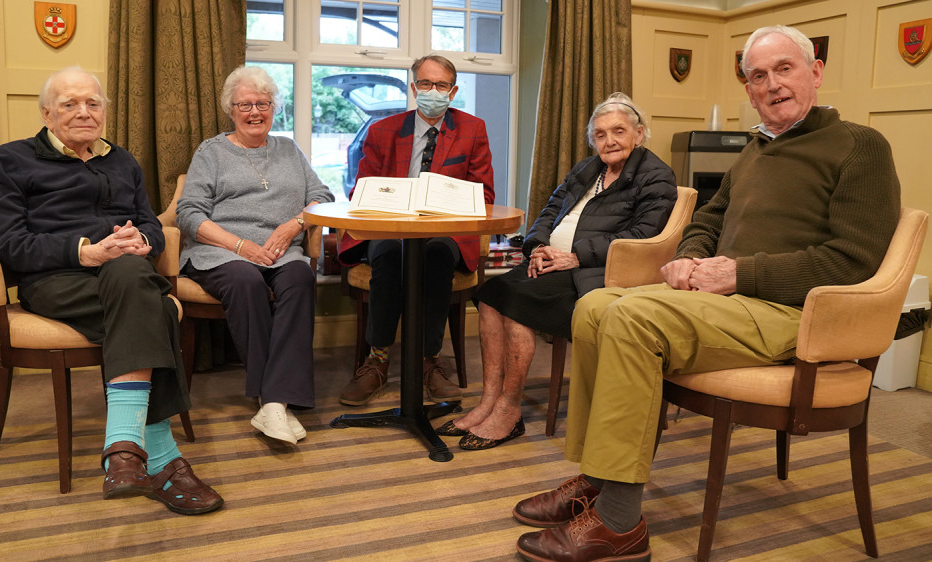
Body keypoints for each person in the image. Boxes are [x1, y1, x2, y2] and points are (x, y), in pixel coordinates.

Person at [512, 25, 901, 561]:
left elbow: (854, 261)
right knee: (596, 304)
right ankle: (597, 480)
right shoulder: (757, 149)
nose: (771, 85)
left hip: (796, 315)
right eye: (757, 76)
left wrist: (741, 274)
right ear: (748, 90)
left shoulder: (860, 146)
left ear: (815, 72)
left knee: (630, 320)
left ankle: (620, 523)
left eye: (783, 69)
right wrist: (690, 258)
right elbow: (708, 218)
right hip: (726, 303)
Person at [0, 66, 223, 515]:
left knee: (133, 278)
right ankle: (161, 455)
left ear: (104, 111)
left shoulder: (122, 160)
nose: (83, 112)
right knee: (157, 309)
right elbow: (7, 244)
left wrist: (144, 240)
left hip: (123, 273)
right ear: (47, 113)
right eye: (70, 103)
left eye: (93, 103)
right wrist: (85, 252)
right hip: (56, 280)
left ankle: (125, 455)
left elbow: (148, 219)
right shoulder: (11, 160)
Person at [436, 93, 677, 451]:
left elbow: (644, 236)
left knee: (516, 301)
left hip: (599, 274)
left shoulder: (655, 175)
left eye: (618, 131)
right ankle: (489, 401)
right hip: (555, 264)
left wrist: (575, 256)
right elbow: (549, 210)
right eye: (600, 134)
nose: (608, 141)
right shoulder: (587, 169)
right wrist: (536, 248)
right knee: (489, 295)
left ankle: (508, 409)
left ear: (639, 134)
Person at [176, 66, 334, 445]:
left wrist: (293, 225)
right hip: (221, 251)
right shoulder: (211, 152)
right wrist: (239, 245)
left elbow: (323, 196)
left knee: (300, 278)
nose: (254, 112)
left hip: (280, 250)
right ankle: (274, 400)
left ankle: (273, 403)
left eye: (262, 103)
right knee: (245, 281)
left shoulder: (288, 149)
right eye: (245, 104)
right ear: (230, 110)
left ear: (273, 108)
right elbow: (188, 213)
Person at [337, 54, 495, 406]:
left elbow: (484, 194)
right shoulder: (383, 131)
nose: (432, 91)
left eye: (441, 85)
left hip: (446, 232)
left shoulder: (472, 129)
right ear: (413, 88)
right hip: (390, 229)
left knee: (436, 252)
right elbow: (361, 189)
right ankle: (377, 359)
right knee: (392, 253)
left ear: (452, 92)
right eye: (425, 84)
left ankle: (429, 360)